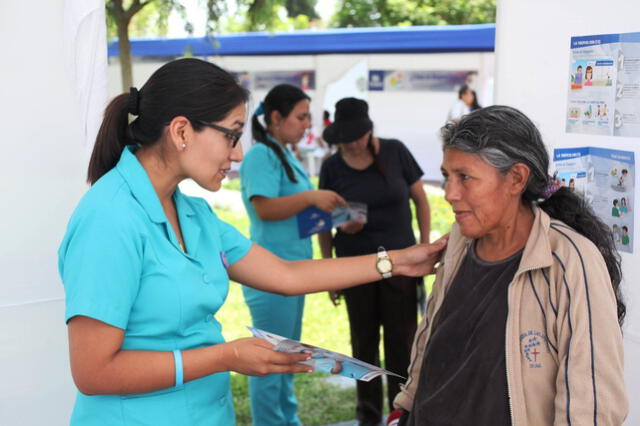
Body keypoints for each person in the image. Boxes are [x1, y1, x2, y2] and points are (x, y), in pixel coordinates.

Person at [58, 58, 450, 426]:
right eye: (230, 135)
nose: (239, 152)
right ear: (180, 132)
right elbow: (94, 372)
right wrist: (226, 356)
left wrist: (396, 261)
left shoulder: (193, 213)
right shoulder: (109, 219)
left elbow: (284, 274)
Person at [391, 105, 627, 425]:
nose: (449, 193)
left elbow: (593, 404)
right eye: (447, 177)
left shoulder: (571, 261)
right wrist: (404, 407)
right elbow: (432, 333)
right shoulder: (460, 240)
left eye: (465, 177)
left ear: (516, 178)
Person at [318, 98, 431, 426]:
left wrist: (423, 245)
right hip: (355, 268)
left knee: (401, 345)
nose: (352, 143)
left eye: (358, 135)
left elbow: (421, 200)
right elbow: (325, 221)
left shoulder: (395, 152)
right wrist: (330, 268)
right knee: (362, 346)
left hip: (402, 266)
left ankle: (401, 416)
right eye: (346, 137)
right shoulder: (331, 166)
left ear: (369, 131)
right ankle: (368, 417)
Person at [239, 83, 345, 425]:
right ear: (275, 117)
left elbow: (290, 215)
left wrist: (337, 217)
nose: (306, 124)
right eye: (300, 117)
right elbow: (265, 208)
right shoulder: (261, 155)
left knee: (287, 357)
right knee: (271, 361)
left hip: (292, 271)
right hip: (269, 273)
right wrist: (311, 198)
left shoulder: (284, 153)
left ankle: (288, 420)